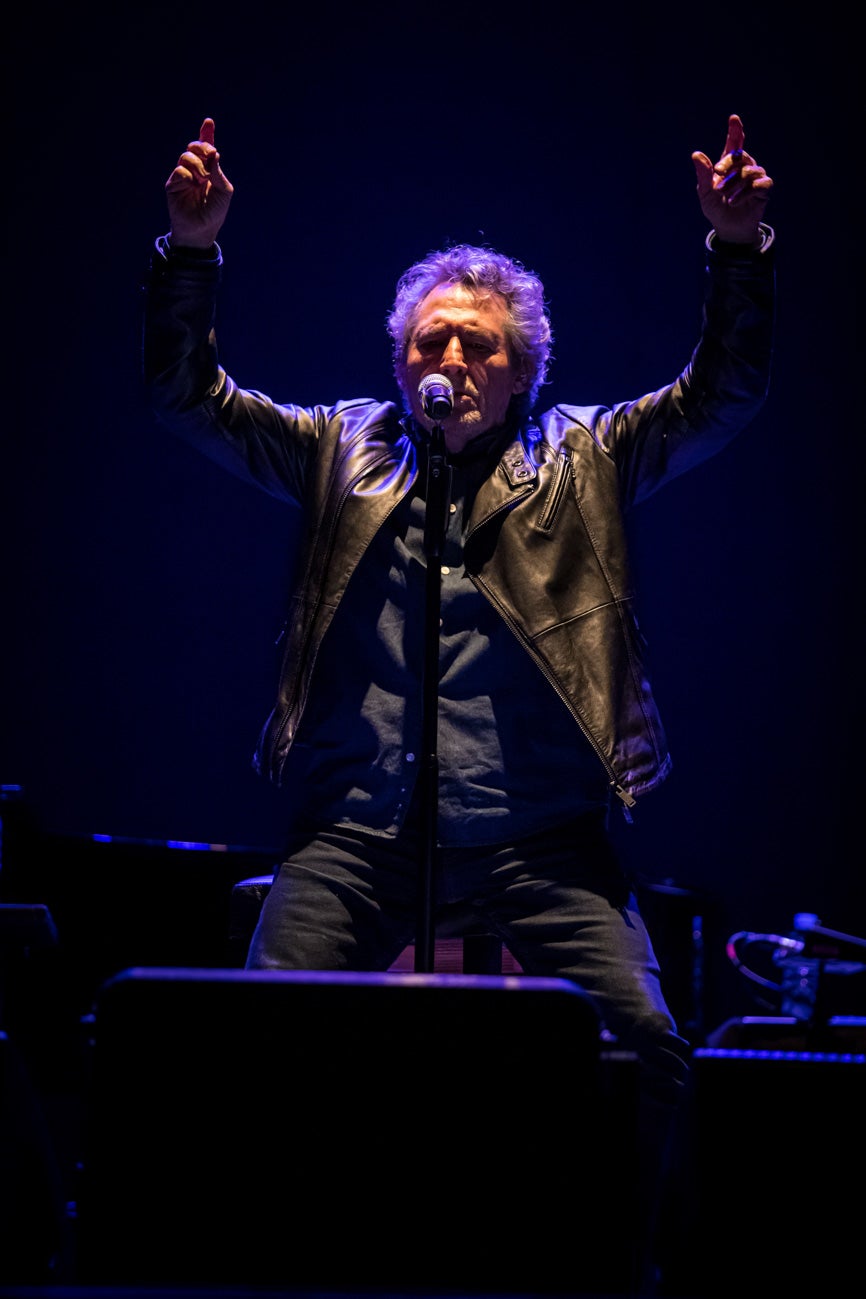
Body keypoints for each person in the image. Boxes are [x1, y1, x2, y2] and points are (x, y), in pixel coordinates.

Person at [143, 112, 774, 1292]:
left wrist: (734, 249)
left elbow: (720, 395)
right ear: (401, 363)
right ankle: (268, 1279)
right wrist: (191, 250)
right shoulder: (339, 450)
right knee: (251, 1038)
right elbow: (190, 399)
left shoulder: (585, 456)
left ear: (522, 370)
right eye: (430, 340)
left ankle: (629, 1280)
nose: (450, 359)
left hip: (542, 841)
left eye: (478, 345)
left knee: (648, 1051)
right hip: (357, 837)